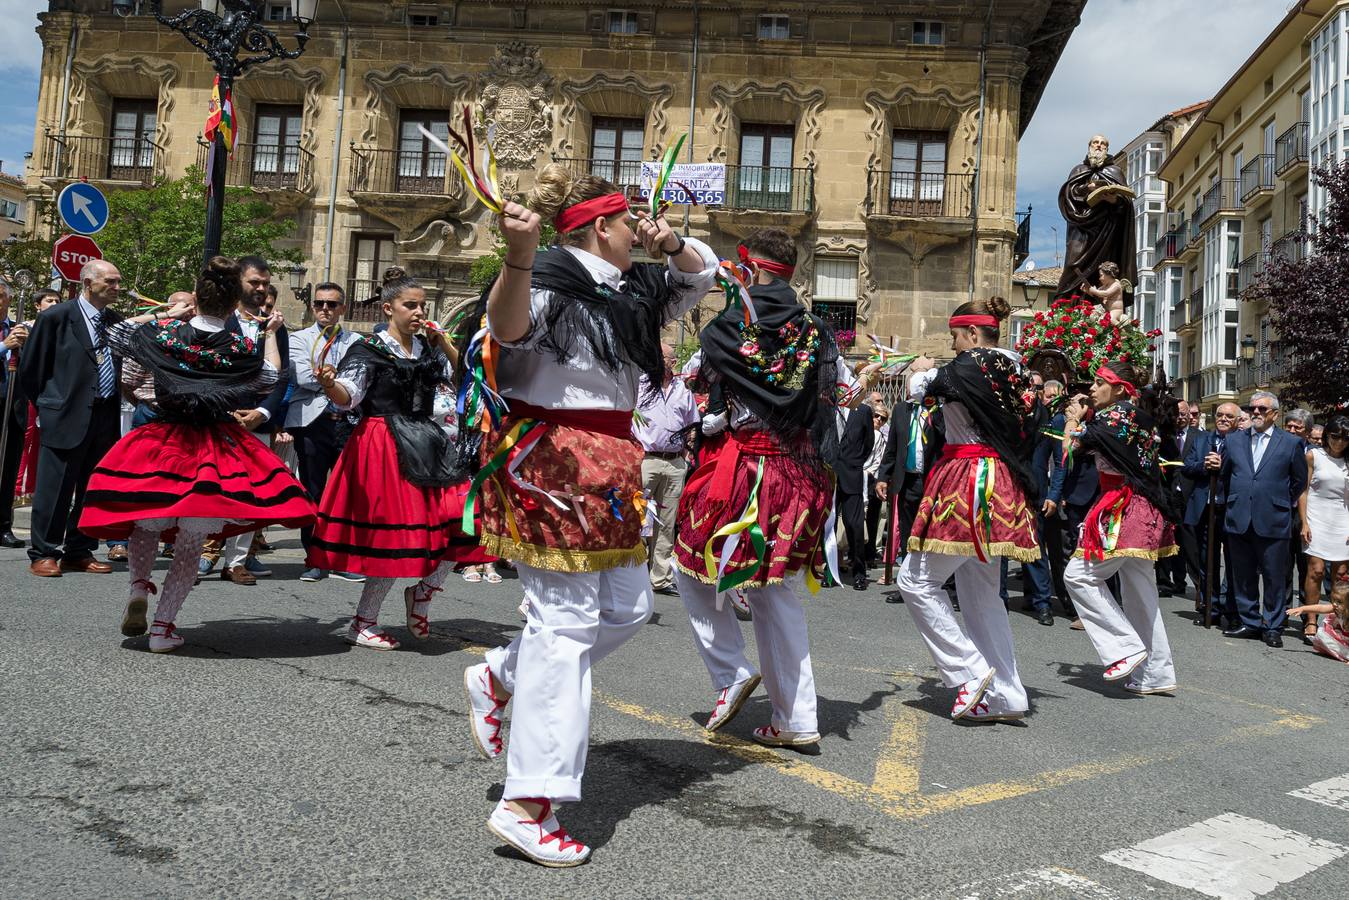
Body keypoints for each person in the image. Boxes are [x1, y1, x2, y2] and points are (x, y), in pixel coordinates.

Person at [458, 165, 719, 866]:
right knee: (565, 628)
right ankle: (527, 803)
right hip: (552, 460)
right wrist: (516, 255)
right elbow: (505, 330)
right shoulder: (545, 275)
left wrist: (671, 245)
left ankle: (500, 676)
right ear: (601, 226)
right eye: (630, 221)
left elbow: (701, 277)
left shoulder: (629, 292)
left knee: (628, 609)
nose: (638, 229)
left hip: (611, 463)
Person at [77, 258, 316, 651]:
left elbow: (115, 337)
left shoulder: (167, 334)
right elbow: (271, 376)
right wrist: (270, 335)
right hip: (212, 445)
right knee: (191, 539)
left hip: (161, 438)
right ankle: (163, 627)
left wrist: (163, 315)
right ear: (231, 302)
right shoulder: (241, 345)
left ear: (197, 299)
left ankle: (139, 585)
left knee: (146, 523)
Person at [672, 227, 844, 752]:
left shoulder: (729, 326)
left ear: (754, 270)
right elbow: (839, 394)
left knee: (691, 568)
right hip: (798, 474)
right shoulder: (818, 330)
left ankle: (731, 671)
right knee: (776, 593)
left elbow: (688, 384)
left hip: (744, 471)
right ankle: (796, 717)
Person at [309, 267, 482, 649]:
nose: (419, 312)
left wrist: (445, 343)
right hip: (384, 444)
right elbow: (349, 395)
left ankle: (423, 592)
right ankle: (363, 620)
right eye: (410, 305)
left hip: (429, 441)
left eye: (422, 305)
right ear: (389, 308)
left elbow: (464, 382)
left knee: (467, 521)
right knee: (393, 539)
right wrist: (328, 384)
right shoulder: (368, 349)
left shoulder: (428, 349)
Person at [896, 297, 1039, 722]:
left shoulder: (970, 366)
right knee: (982, 594)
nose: (954, 346)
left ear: (974, 334)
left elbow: (917, 391)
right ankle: (1007, 695)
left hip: (969, 479)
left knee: (915, 582)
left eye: (956, 337)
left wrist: (921, 368)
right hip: (1002, 480)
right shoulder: (1018, 370)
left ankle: (968, 671)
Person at [1061, 362, 1181, 694]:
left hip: (1123, 507)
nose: (1093, 389)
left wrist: (1073, 418)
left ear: (1119, 389)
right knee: (1141, 593)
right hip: (1145, 506)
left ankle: (1123, 646)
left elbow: (1068, 450)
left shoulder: (1113, 418)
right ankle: (1154, 673)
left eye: (1100, 383)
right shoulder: (1138, 417)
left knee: (1078, 575)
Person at [19, 260, 128, 577]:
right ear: (88, 283)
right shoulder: (56, 317)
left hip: (104, 415)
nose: (117, 287)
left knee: (93, 488)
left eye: (119, 282)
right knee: (55, 488)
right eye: (111, 281)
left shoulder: (114, 321)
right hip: (64, 414)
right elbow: (31, 369)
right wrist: (48, 406)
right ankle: (43, 552)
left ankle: (79, 550)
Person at [199, 256, 290, 585]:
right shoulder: (216, 320)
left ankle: (236, 561)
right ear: (238, 282)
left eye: (266, 284)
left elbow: (281, 377)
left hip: (256, 424)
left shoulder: (276, 327)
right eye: (255, 283)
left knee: (250, 493)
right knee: (211, 488)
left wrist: (263, 413)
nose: (262, 290)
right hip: (218, 420)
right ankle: (202, 552)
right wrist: (225, 411)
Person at [287, 282, 364, 583]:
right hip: (313, 422)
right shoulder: (299, 339)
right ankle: (315, 558)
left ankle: (344, 557)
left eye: (332, 304)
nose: (325, 309)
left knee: (347, 494)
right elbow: (303, 375)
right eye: (319, 303)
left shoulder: (356, 340)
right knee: (313, 491)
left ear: (342, 309)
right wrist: (336, 381)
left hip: (347, 423)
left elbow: (360, 376)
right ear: (312, 307)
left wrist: (332, 377)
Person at [1220, 391, 1309, 648]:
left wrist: (1277, 500)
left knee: (1274, 576)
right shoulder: (1234, 440)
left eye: (1262, 409)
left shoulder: (1290, 443)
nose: (1256, 413)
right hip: (1239, 518)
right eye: (1253, 408)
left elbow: (1299, 480)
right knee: (1243, 574)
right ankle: (1250, 621)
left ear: (1275, 414)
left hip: (1273, 518)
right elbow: (1226, 476)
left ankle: (1273, 625)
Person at [633, 342, 699, 596]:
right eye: (666, 358)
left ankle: (660, 578)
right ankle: (635, 573)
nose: (670, 363)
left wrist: (688, 449)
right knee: (639, 518)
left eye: (671, 359)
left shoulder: (682, 390)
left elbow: (693, 422)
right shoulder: (639, 385)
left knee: (667, 522)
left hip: (674, 462)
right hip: (646, 459)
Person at [876, 366, 945, 594]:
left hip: (931, 483)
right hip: (906, 481)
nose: (910, 391)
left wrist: (932, 410)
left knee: (929, 533)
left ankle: (930, 583)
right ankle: (907, 584)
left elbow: (944, 439)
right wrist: (883, 477)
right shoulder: (901, 410)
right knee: (908, 534)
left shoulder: (938, 412)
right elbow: (892, 446)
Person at [1054, 134, 1136, 302]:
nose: (1099, 145)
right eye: (1095, 142)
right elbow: (1068, 195)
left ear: (1106, 149)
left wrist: (1112, 199)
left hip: (1107, 231)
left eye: (1103, 144)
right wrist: (1087, 189)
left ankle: (1096, 307)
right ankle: (1066, 307)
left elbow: (1125, 204)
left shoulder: (1114, 171)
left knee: (1103, 270)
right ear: (1090, 146)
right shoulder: (1078, 170)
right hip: (1081, 228)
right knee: (1073, 265)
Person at [1183, 401, 1240, 627]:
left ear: (1236, 421)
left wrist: (1222, 467)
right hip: (1205, 510)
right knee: (1208, 562)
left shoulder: (1241, 442)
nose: (1223, 419)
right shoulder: (1201, 439)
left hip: (1230, 509)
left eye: (1229, 416)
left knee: (1234, 563)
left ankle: (1232, 609)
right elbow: (1187, 467)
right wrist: (1205, 466)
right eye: (1220, 415)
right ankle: (1211, 606)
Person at [1296, 415, 1349, 645]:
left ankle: (1338, 624)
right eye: (1334, 436)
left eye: (1345, 438)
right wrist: (1304, 522)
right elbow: (1303, 491)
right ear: (1326, 434)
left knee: (1340, 576)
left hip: (1343, 520)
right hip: (1316, 517)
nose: (1339, 442)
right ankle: (1310, 620)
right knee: (1316, 570)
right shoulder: (1313, 455)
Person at [835, 379, 877, 590]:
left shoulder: (862, 411)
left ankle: (859, 571)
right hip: (831, 473)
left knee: (855, 525)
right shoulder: (830, 406)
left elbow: (868, 442)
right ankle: (829, 570)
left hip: (852, 474)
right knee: (829, 526)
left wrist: (855, 461)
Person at [0, 277, 30, 549]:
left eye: (1, 296)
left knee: (8, 467)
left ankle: (3, 525)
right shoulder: (8, 337)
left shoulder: (19, 328)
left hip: (14, 407)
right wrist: (3, 347)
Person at [1288, 580, 1349, 663]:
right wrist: (1302, 609)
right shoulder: (1337, 607)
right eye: (1333, 600)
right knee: (1324, 636)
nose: (1334, 604)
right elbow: (1321, 608)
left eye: (1339, 602)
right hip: (1345, 637)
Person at [863, 395, 890, 568]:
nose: (879, 420)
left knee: (873, 519)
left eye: (883, 418)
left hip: (874, 480)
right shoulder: (865, 433)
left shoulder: (883, 436)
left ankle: (869, 554)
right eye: (876, 416)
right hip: (860, 477)